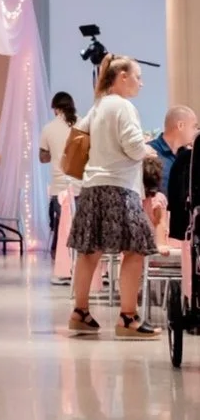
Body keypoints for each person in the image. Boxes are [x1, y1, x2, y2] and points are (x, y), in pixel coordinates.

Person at [66, 54, 161, 340]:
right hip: (120, 187)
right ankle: (128, 317)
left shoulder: (98, 106)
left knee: (89, 251)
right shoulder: (123, 107)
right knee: (135, 250)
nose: (141, 83)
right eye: (137, 76)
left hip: (93, 186)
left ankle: (80, 312)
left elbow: (82, 136)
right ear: (122, 76)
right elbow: (132, 147)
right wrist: (146, 148)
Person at [39, 91, 78, 283]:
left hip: (59, 188)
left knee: (62, 230)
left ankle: (63, 270)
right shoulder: (82, 124)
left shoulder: (49, 128)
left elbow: (43, 157)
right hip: (81, 186)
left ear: (55, 109)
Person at [146, 105, 198, 186]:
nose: (196, 132)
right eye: (194, 127)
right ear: (180, 125)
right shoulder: (149, 152)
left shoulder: (189, 156)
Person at [142, 154, 168, 252]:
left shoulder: (157, 199)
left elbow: (160, 222)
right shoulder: (157, 198)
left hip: (151, 242)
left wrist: (160, 244)